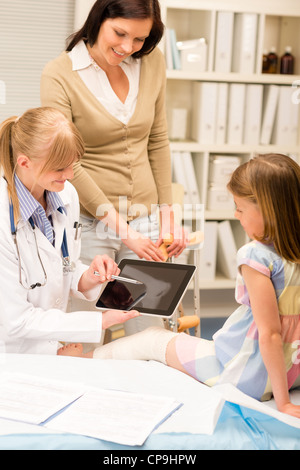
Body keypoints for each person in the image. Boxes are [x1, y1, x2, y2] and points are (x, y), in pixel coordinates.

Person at [58, 153, 300, 419]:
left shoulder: (256, 256)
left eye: (240, 209)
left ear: (267, 209)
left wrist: (284, 403)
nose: (235, 214)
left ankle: (77, 362)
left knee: (150, 338)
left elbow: (271, 334)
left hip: (246, 373)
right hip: (292, 368)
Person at [40, 0, 187, 336]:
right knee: (88, 332)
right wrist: (124, 231)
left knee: (149, 330)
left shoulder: (151, 62)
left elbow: (158, 140)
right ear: (99, 19)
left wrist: (168, 216)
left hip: (146, 220)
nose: (127, 47)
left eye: (139, 39)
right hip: (90, 223)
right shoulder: (60, 74)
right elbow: (68, 161)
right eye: (120, 33)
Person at [0, 107, 139, 355]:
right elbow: (16, 320)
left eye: (72, 165)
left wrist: (89, 277)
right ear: (24, 162)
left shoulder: (66, 195)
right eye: (60, 168)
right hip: (10, 355)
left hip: (49, 348)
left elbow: (63, 268)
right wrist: (100, 322)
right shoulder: (3, 215)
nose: (70, 175)